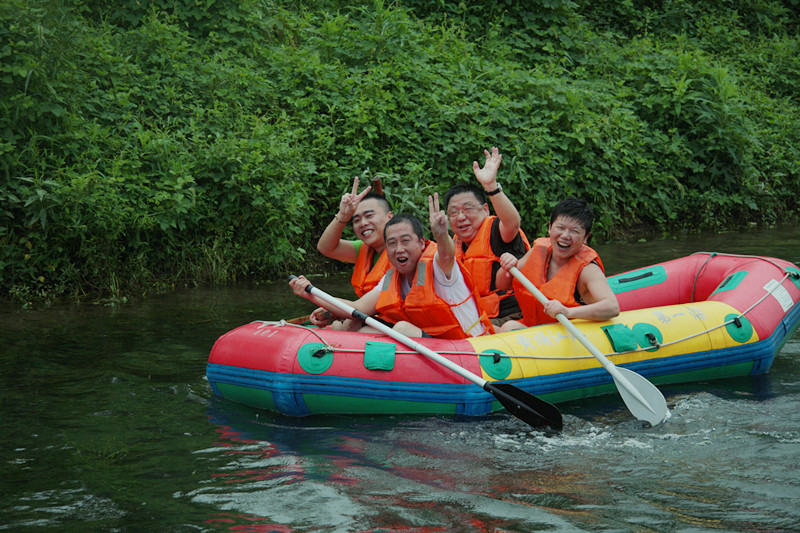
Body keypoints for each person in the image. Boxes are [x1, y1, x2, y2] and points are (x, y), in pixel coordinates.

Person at [290, 194, 494, 339]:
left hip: (469, 346)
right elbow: (357, 308)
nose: (399, 249)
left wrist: (441, 234)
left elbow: (447, 254)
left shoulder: (438, 266)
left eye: (405, 241)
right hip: (435, 342)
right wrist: (310, 293)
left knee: (403, 329)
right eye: (392, 244)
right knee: (360, 330)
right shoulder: (392, 277)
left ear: (421, 243)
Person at [497, 197, 619, 331]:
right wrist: (508, 265)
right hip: (535, 328)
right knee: (499, 328)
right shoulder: (538, 251)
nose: (565, 236)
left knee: (509, 327)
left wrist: (568, 312)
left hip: (569, 332)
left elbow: (612, 307)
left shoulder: (588, 270)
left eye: (574, 231)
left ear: (585, 238)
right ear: (550, 228)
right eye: (560, 228)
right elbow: (502, 285)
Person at [443, 147, 530, 326]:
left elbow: (512, 223)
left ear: (485, 209)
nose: (461, 217)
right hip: (475, 320)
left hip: (511, 317)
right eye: (454, 212)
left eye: (468, 209)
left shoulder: (496, 229)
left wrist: (491, 187)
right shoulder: (453, 244)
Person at [317, 176, 393, 298]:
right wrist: (343, 215)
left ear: (390, 217)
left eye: (369, 216)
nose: (363, 223)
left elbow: (362, 306)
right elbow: (326, 248)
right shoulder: (364, 249)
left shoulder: (404, 252)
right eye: (356, 220)